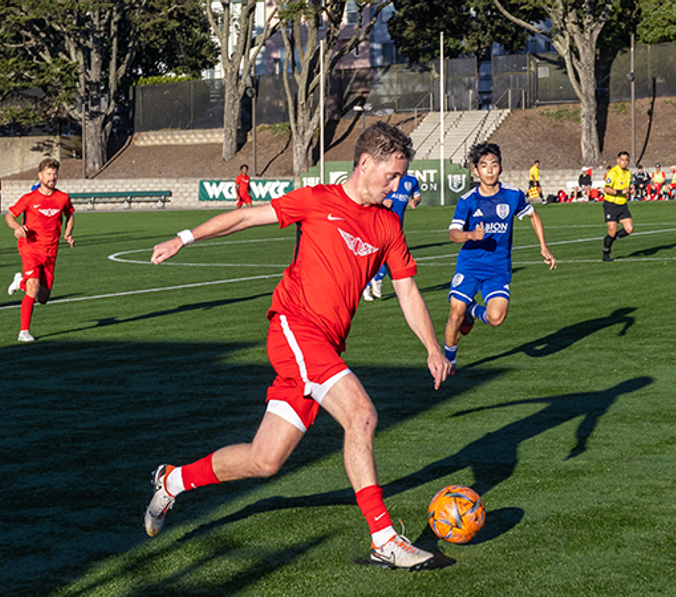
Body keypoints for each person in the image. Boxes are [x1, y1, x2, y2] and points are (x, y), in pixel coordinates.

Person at [144, 122, 451, 570]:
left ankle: (172, 481)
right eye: (391, 176)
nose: (398, 185)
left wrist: (431, 347)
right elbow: (248, 215)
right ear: (364, 164)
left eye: (401, 177)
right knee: (361, 415)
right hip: (294, 329)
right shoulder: (319, 200)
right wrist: (184, 237)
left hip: (324, 345)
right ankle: (384, 538)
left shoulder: (387, 224)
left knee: (263, 460)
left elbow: (407, 290)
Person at [443, 142, 556, 368]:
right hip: (470, 266)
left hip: (498, 269)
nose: (490, 170)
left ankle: (473, 311)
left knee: (496, 318)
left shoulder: (512, 195)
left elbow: (533, 215)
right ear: (475, 170)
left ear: (500, 167)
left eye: (494, 164)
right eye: (484, 166)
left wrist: (543, 246)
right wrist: (471, 235)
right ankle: (449, 361)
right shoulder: (468, 200)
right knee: (455, 313)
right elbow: (453, 234)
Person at [4, 158, 75, 343]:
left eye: (55, 174)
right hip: (30, 248)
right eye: (49, 174)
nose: (52, 177)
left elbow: (70, 215)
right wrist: (17, 227)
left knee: (42, 298)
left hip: (50, 251)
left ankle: (20, 282)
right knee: (33, 287)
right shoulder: (29, 199)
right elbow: (10, 216)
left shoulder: (63, 198)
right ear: (40, 175)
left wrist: (68, 233)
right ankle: (23, 332)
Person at [363, 171, 421, 301]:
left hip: (398, 225)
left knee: (391, 256)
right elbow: (368, 195)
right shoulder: (385, 177)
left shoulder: (412, 180)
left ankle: (376, 279)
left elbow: (417, 196)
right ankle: (366, 286)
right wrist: (382, 201)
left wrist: (415, 202)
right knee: (377, 255)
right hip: (380, 223)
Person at [601, 151, 634, 261]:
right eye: (622, 159)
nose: (624, 162)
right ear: (618, 160)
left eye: (626, 160)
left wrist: (631, 190)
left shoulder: (628, 173)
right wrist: (620, 192)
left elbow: (627, 187)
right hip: (611, 204)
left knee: (629, 229)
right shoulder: (613, 172)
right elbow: (606, 188)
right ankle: (606, 252)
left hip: (622, 205)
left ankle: (610, 239)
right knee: (612, 231)